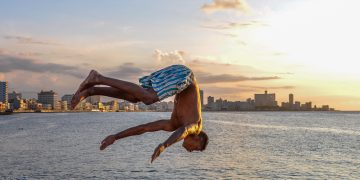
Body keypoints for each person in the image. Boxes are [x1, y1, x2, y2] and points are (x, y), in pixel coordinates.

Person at [71, 64, 208, 163]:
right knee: (148, 98)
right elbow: (184, 131)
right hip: (185, 76)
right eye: (195, 149)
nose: (190, 151)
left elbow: (144, 128)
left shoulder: (173, 124)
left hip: (180, 74)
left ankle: (92, 90)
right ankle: (98, 78)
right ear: (198, 139)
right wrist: (164, 145)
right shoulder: (196, 126)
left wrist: (116, 137)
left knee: (136, 97)